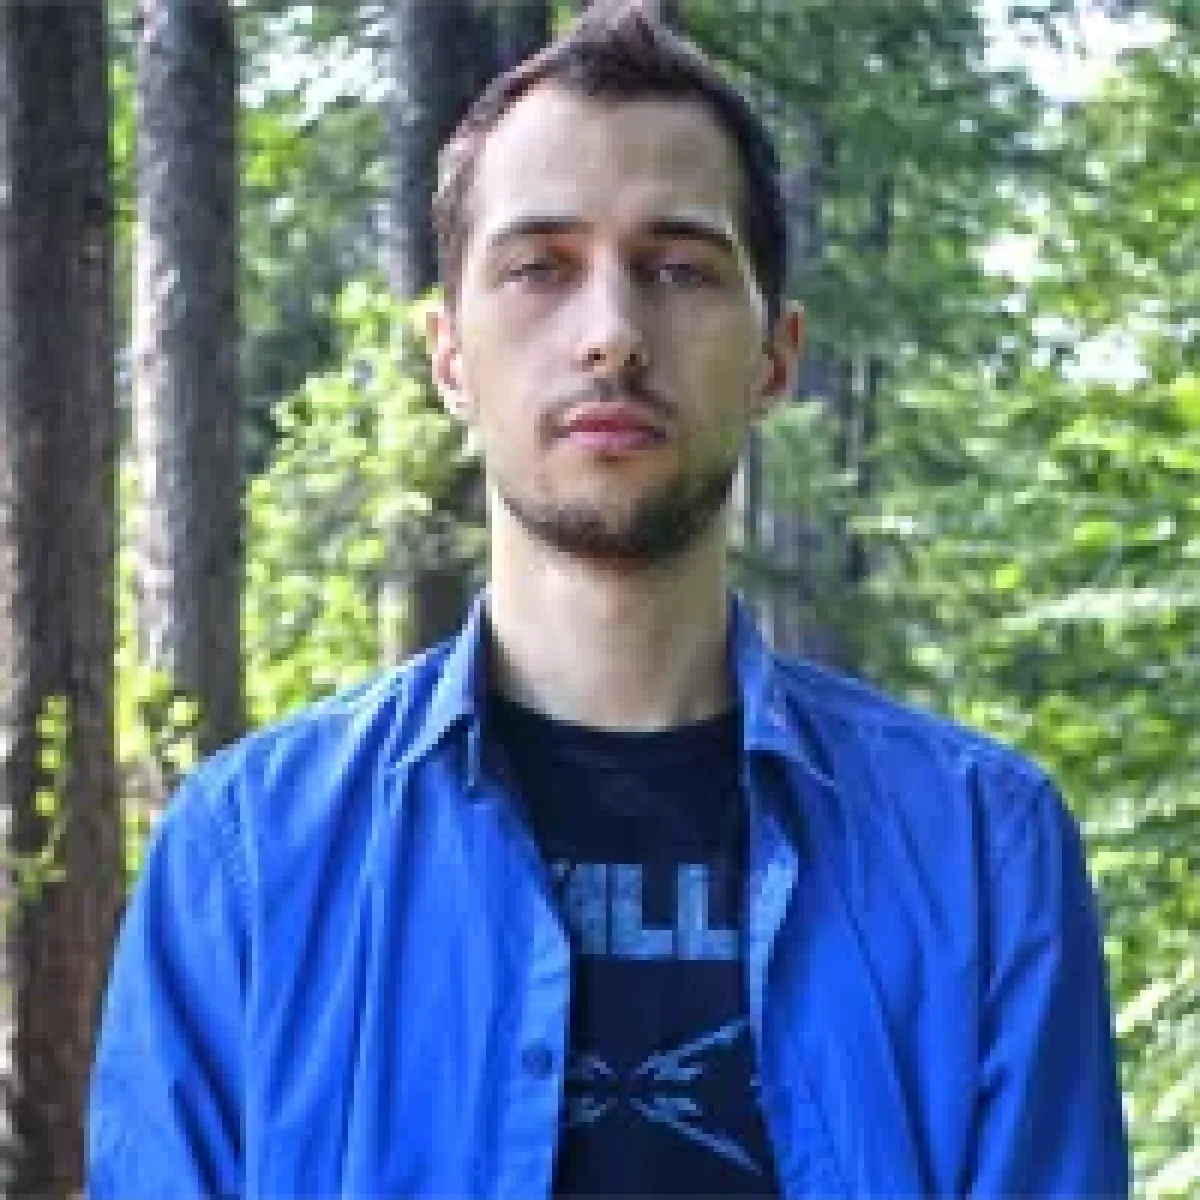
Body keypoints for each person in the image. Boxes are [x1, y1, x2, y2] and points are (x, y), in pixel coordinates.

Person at [88, 7, 1129, 1197]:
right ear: (448, 357)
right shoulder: (248, 862)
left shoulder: (983, 855)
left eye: (678, 268)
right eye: (540, 267)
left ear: (777, 356)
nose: (613, 336)